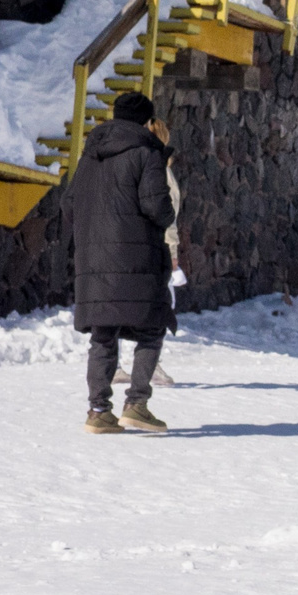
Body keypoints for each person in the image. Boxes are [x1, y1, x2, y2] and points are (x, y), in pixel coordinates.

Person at [70, 90, 177, 434]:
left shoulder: (90, 154)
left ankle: (98, 410)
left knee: (103, 333)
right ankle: (137, 404)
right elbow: (156, 207)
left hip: (93, 256)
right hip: (137, 255)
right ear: (147, 121)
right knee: (151, 327)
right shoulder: (146, 153)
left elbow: (69, 203)